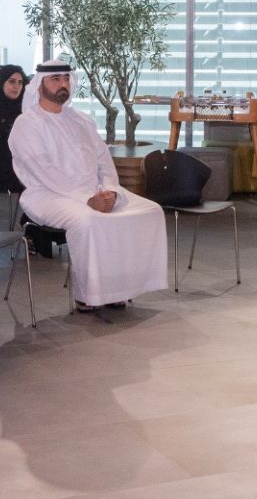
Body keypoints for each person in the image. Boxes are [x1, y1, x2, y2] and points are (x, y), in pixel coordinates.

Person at [9, 60, 168, 312]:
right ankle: (87, 295)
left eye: (65, 78)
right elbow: (45, 172)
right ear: (39, 85)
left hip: (95, 190)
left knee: (150, 211)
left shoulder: (81, 120)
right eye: (55, 79)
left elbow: (103, 160)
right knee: (88, 220)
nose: (63, 84)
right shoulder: (26, 124)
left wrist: (110, 190)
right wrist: (87, 199)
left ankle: (119, 289)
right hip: (47, 195)